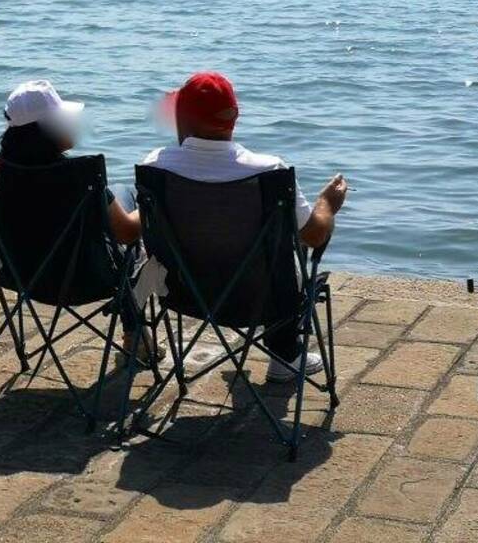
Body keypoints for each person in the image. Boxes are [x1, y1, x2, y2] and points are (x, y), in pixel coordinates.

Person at [142, 71, 347, 382]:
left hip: (184, 294)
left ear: (180, 120)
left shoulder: (155, 166)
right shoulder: (268, 172)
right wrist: (328, 204)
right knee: (292, 249)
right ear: (234, 117)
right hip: (262, 298)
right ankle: (285, 354)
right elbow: (315, 235)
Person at [0, 80, 164, 361]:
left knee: (119, 196)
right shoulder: (79, 177)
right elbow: (127, 233)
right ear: (47, 131)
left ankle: (138, 338)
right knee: (130, 223)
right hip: (86, 279)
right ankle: (135, 335)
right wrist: (150, 205)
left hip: (20, 275)